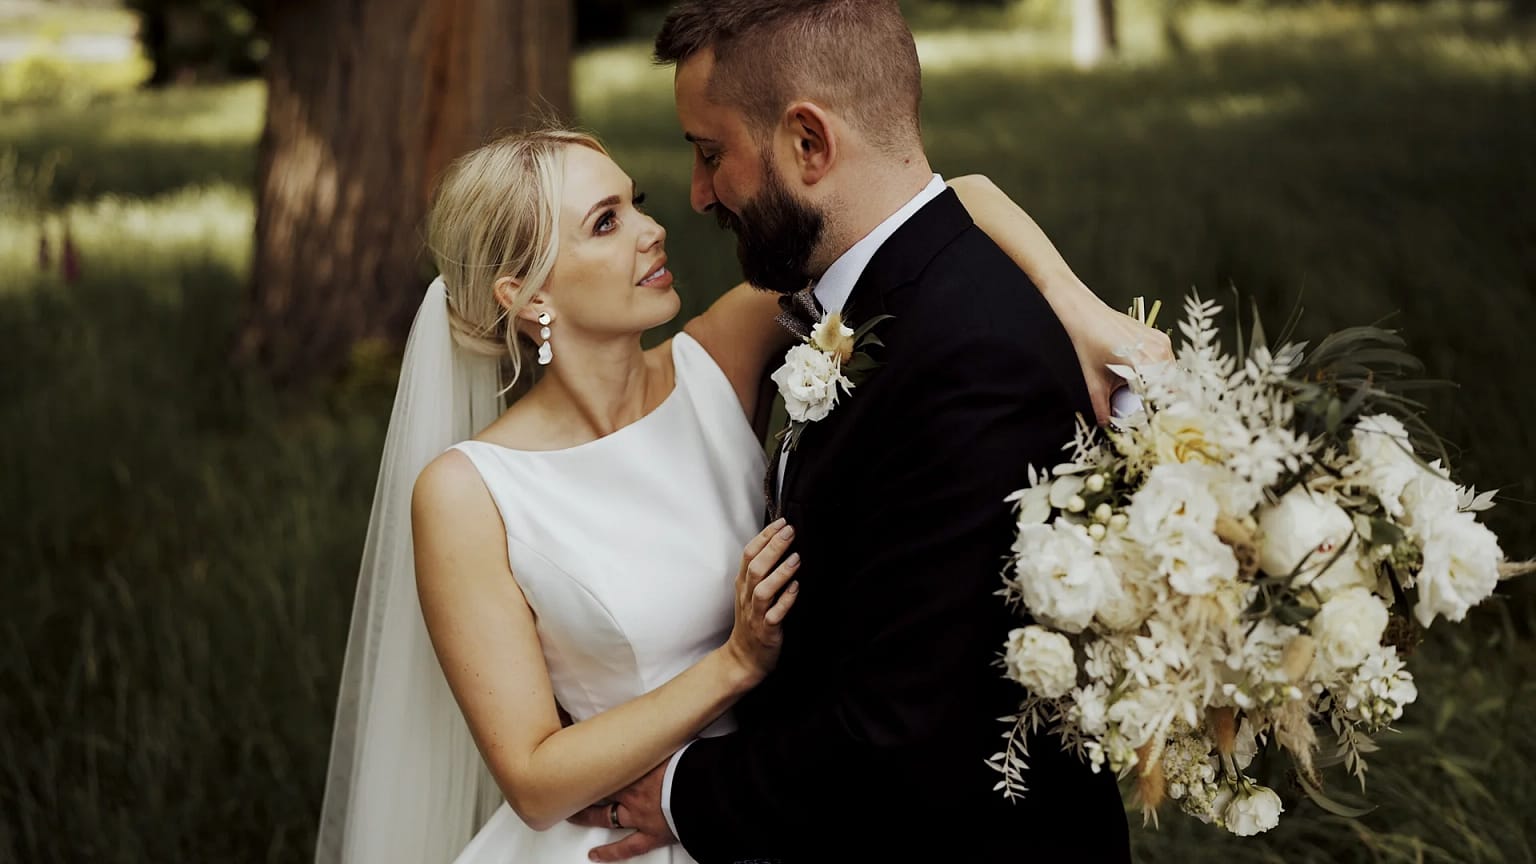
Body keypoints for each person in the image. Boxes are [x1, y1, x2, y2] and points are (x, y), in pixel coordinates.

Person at [314, 126, 1165, 864]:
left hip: (793, 797)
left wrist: (1078, 308)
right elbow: (535, 778)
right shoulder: (469, 491)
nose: (653, 231)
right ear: (527, 294)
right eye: (607, 224)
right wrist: (735, 666)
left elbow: (948, 204)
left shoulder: (717, 357)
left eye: (636, 202)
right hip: (619, 836)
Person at [553, 2, 1144, 862]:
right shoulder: (878, 291)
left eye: (711, 153)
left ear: (809, 144)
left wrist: (681, 793)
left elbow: (911, 726)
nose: (697, 194)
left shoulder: (968, 359)